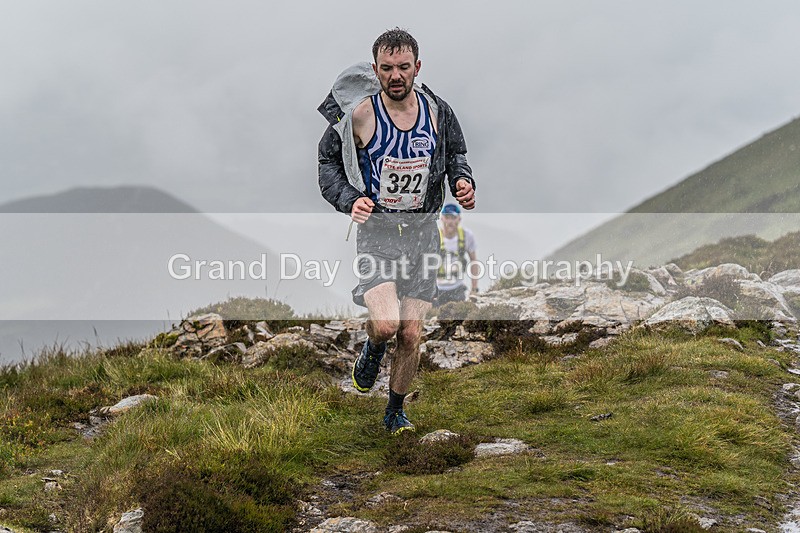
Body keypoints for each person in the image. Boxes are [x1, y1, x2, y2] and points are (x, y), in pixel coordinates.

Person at [318, 28, 477, 434]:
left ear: (417, 67)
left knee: (410, 332)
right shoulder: (359, 115)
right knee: (387, 325)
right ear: (375, 70)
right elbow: (327, 164)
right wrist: (349, 199)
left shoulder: (438, 112)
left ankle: (394, 411)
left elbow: (456, 154)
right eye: (387, 68)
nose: (395, 76)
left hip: (424, 233)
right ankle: (372, 346)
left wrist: (462, 181)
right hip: (378, 232)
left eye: (403, 67)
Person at [435, 203, 478, 306]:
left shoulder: (467, 236)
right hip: (436, 289)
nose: (450, 222)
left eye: (453, 218)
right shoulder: (434, 235)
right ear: (442, 218)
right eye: (447, 217)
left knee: (459, 314)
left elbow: (474, 261)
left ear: (459, 219)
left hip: (457, 289)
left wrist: (474, 289)